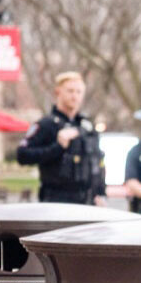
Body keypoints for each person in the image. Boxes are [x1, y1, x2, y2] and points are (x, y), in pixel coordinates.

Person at [16, 71, 106, 205]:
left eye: (78, 92)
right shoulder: (46, 124)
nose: (74, 96)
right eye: (70, 91)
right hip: (57, 200)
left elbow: (98, 162)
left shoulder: (86, 127)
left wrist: (101, 192)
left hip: (88, 201)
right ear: (58, 92)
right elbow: (22, 155)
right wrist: (57, 147)